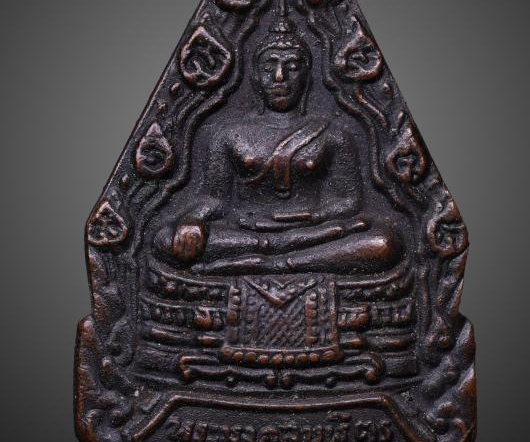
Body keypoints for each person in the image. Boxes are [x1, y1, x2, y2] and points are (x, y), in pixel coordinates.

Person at [154, 15, 401, 275]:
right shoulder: (228, 134)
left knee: (383, 243)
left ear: (307, 77)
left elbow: (349, 200)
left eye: (292, 67)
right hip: (247, 230)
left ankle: (274, 263)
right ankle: (283, 257)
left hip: (313, 232)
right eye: (269, 67)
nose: (280, 77)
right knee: (166, 239)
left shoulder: (333, 134)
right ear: (255, 77)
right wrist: (194, 219)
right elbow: (215, 199)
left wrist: (312, 217)